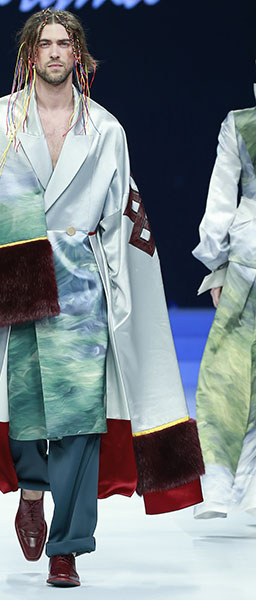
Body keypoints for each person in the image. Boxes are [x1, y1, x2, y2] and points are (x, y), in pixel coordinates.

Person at [0, 8, 204, 587]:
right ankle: (31, 491)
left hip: (84, 285)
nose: (55, 52)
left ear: (79, 54)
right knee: (25, 417)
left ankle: (67, 548)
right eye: (45, 43)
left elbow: (120, 218)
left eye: (64, 43)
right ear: (30, 55)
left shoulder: (106, 130)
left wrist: (125, 300)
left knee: (79, 421)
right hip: (18, 275)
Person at [193, 84, 256, 519]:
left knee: (228, 375)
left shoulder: (241, 124)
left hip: (249, 259)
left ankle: (220, 487)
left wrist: (215, 263)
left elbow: (220, 201)